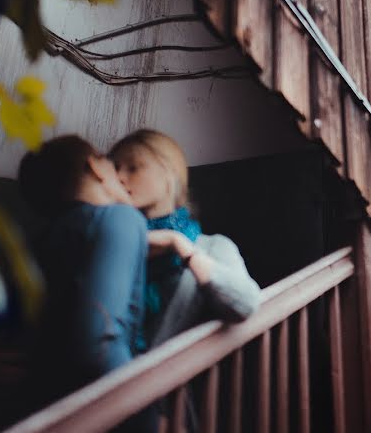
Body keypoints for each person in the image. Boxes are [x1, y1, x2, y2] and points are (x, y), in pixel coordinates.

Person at [18, 135, 154, 431]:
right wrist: (146, 417)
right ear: (95, 166)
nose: (121, 175)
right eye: (113, 164)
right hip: (107, 409)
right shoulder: (120, 218)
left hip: (40, 409)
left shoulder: (37, 242)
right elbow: (99, 339)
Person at [109, 129, 260, 349]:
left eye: (133, 167)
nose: (120, 178)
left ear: (169, 174)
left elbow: (245, 305)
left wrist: (178, 244)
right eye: (115, 170)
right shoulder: (112, 243)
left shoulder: (211, 247)